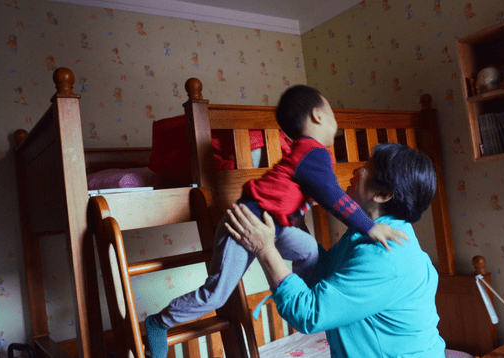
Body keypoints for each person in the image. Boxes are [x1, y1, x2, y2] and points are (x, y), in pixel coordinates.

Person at [144, 85, 407, 357]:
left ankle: (309, 297)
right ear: (317, 115)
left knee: (310, 250)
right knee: (217, 294)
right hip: (246, 222)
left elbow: (300, 199)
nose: (336, 125)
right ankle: (158, 323)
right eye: (333, 116)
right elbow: (334, 198)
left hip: (274, 226)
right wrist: (370, 226)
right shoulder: (313, 154)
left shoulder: (309, 153)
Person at [225, 142, 446, 358]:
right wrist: (291, 218)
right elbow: (326, 276)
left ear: (383, 194)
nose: (356, 170)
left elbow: (309, 314)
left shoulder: (384, 256)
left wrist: (264, 249)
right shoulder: (365, 234)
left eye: (366, 169)